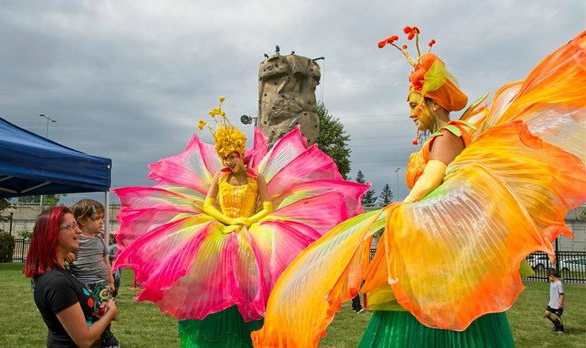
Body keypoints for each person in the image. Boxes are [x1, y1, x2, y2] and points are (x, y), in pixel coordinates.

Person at [253, 28, 585, 347]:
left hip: (438, 254)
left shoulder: (447, 137)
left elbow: (432, 177)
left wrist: (401, 206)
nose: (412, 114)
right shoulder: (453, 137)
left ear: (435, 105)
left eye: (415, 105)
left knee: (424, 308)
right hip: (441, 247)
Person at [112, 96, 368, 347]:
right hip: (222, 228)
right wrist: (226, 220)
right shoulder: (220, 178)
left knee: (252, 277)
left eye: (232, 157)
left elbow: (267, 205)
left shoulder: (256, 178)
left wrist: (247, 220)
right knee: (213, 278)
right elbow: (207, 204)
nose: (228, 162)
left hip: (251, 228)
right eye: (224, 158)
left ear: (240, 154)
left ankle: (251, 330)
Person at [24, 206, 118, 348]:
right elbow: (84, 340)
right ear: (53, 233)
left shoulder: (57, 272)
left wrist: (98, 310)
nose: (79, 231)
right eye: (72, 226)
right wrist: (110, 313)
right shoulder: (57, 282)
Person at [69, 199, 119, 348]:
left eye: (102, 218)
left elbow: (106, 263)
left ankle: (106, 336)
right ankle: (87, 334)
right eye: (96, 219)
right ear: (82, 221)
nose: (101, 222)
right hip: (81, 284)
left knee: (104, 309)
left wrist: (110, 281)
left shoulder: (100, 241)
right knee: (86, 312)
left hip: (100, 283)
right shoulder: (75, 240)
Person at [544, 268, 565, 333]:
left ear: (552, 276)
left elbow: (562, 294)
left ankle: (561, 328)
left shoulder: (559, 283)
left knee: (558, 316)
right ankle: (556, 325)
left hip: (558, 304)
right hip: (551, 303)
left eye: (549, 277)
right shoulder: (552, 282)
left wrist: (560, 303)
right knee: (547, 313)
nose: (549, 278)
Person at [108, 234, 121, 299]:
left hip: (114, 268)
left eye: (108, 238)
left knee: (115, 280)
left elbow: (116, 257)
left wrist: (106, 256)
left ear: (112, 238)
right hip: (107, 267)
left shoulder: (115, 246)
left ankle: (114, 296)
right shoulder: (106, 246)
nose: (107, 239)